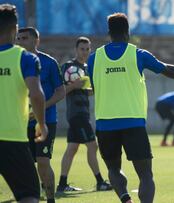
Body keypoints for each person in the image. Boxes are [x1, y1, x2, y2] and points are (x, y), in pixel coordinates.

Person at [87, 13, 174, 203]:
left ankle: (125, 199)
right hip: (133, 123)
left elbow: (95, 87)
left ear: (109, 33)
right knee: (145, 175)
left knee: (113, 169)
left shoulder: (93, 59)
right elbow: (167, 69)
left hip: (105, 124)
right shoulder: (138, 54)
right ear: (127, 32)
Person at [0, 4, 48, 203]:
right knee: (29, 195)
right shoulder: (25, 58)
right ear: (15, 29)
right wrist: (41, 123)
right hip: (12, 139)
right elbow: (36, 94)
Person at [17, 27, 65, 203]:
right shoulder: (13, 61)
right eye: (18, 38)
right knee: (24, 166)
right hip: (20, 122)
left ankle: (51, 199)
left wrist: (41, 107)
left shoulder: (49, 62)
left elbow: (61, 91)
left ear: (36, 40)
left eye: (25, 38)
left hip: (45, 121)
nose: (20, 41)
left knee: (43, 163)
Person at [57, 37, 111, 192]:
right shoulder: (68, 66)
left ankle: (62, 184)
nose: (85, 52)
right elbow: (60, 91)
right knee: (93, 146)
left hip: (83, 113)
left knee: (72, 148)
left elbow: (86, 92)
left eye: (88, 49)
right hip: (77, 114)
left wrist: (93, 90)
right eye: (82, 49)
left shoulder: (87, 68)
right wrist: (74, 85)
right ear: (76, 49)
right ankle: (100, 182)